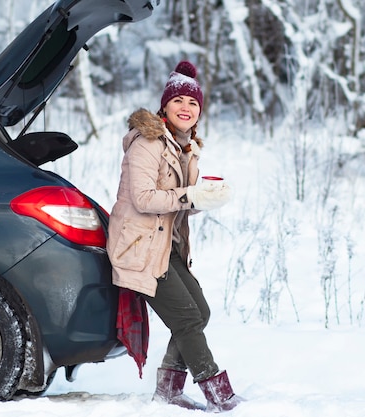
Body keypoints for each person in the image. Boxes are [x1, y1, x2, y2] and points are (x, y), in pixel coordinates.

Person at [106, 60, 245, 412]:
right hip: (139, 247)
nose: (186, 108)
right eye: (179, 101)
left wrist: (205, 200)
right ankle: (219, 395)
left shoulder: (185, 147)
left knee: (200, 311)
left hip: (165, 245)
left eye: (193, 103)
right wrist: (190, 195)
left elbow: (178, 203)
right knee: (186, 319)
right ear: (165, 106)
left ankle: (169, 388)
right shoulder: (148, 143)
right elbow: (143, 198)